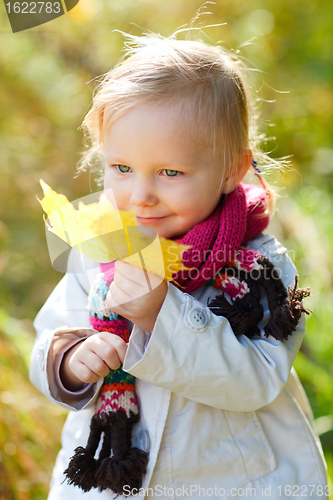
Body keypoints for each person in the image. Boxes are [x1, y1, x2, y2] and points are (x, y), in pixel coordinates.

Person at [30, 30, 328, 500]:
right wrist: (69, 362)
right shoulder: (102, 247)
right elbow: (51, 335)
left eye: (170, 172)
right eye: (122, 168)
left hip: (233, 485)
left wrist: (160, 315)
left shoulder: (260, 268)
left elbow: (255, 381)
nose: (141, 194)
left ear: (232, 167)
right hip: (113, 483)